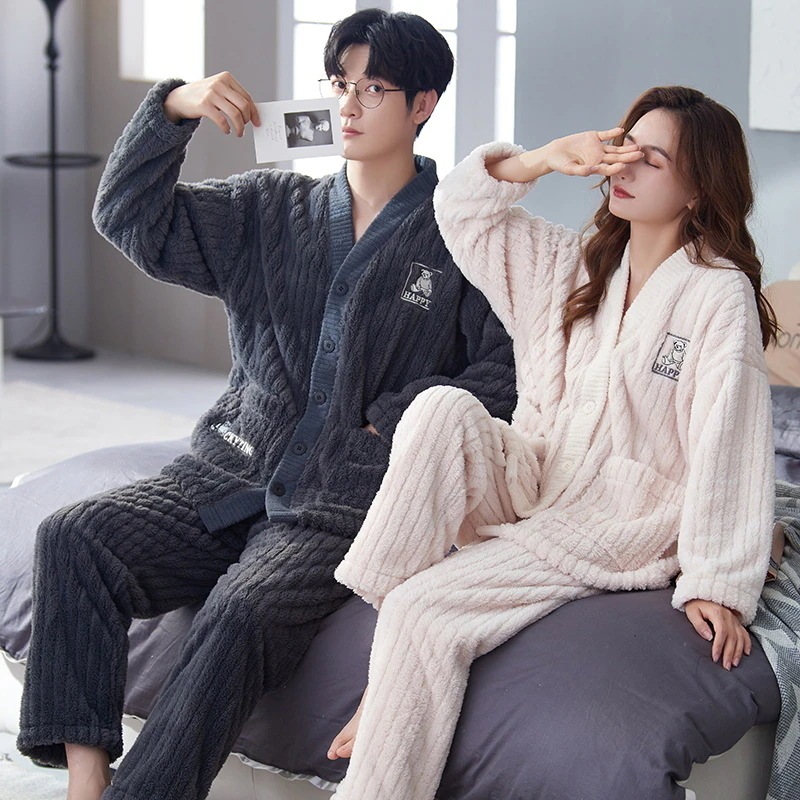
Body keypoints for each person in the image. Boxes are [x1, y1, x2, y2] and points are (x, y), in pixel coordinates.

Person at [16, 9, 516, 800]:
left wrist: (392, 419)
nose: (348, 105)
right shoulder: (268, 207)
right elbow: (129, 217)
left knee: (240, 612)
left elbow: (503, 373)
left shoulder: (461, 237)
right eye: (340, 84)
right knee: (73, 536)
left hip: (340, 506)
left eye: (374, 89)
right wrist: (174, 108)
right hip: (225, 472)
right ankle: (87, 781)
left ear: (422, 104)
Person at [325, 86, 778, 800]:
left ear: (697, 190)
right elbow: (460, 209)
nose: (624, 169)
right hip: (536, 475)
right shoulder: (573, 264)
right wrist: (541, 159)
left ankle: (388, 695)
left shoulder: (716, 294)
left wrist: (718, 583)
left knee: (424, 610)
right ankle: (390, 667)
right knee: (440, 407)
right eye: (623, 150)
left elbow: (731, 435)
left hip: (617, 518)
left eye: (652, 161)